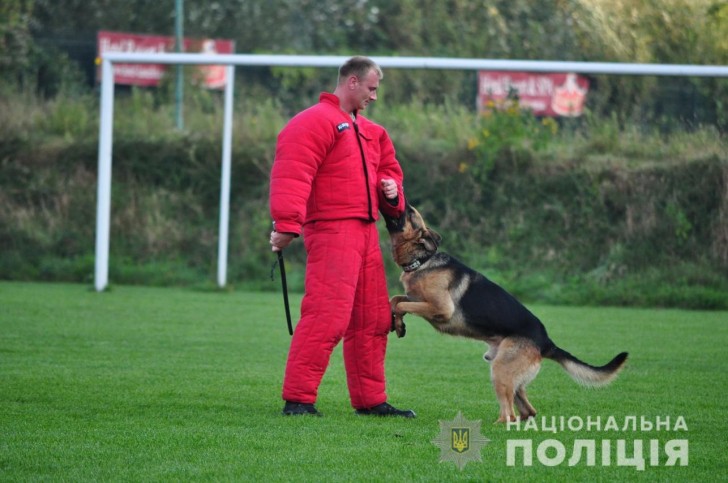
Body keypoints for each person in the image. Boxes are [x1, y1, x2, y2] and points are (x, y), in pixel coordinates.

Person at [269, 56, 414, 418]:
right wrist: (286, 225)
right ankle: (298, 399)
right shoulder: (313, 121)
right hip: (333, 231)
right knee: (327, 315)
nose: (374, 96)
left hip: (365, 233)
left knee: (373, 320)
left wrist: (391, 192)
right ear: (352, 82)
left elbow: (390, 173)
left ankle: (370, 400)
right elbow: (293, 172)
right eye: (371, 88)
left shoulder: (373, 132)